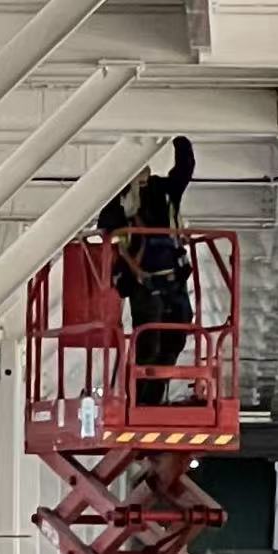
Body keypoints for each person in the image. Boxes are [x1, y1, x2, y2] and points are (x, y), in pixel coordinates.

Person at [99, 136, 195, 406]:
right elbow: (106, 225)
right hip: (143, 281)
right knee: (149, 340)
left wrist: (180, 140)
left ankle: (153, 398)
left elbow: (184, 170)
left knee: (176, 336)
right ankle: (140, 401)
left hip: (173, 278)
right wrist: (123, 196)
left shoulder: (164, 190)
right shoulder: (121, 200)